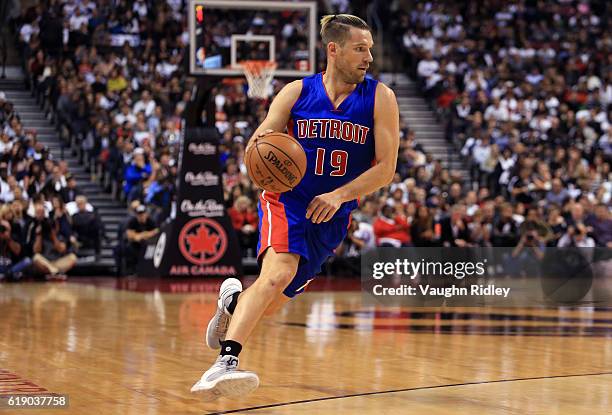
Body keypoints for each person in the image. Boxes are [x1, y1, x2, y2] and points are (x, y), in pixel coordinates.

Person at [191, 14, 399, 400]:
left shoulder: (380, 98)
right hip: (287, 200)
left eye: (369, 48)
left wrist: (338, 196)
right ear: (333, 50)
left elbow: (386, 169)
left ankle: (231, 302)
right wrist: (261, 149)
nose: (368, 56)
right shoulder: (295, 92)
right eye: (360, 48)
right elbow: (261, 140)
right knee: (276, 273)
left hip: (331, 215)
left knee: (270, 302)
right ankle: (224, 363)